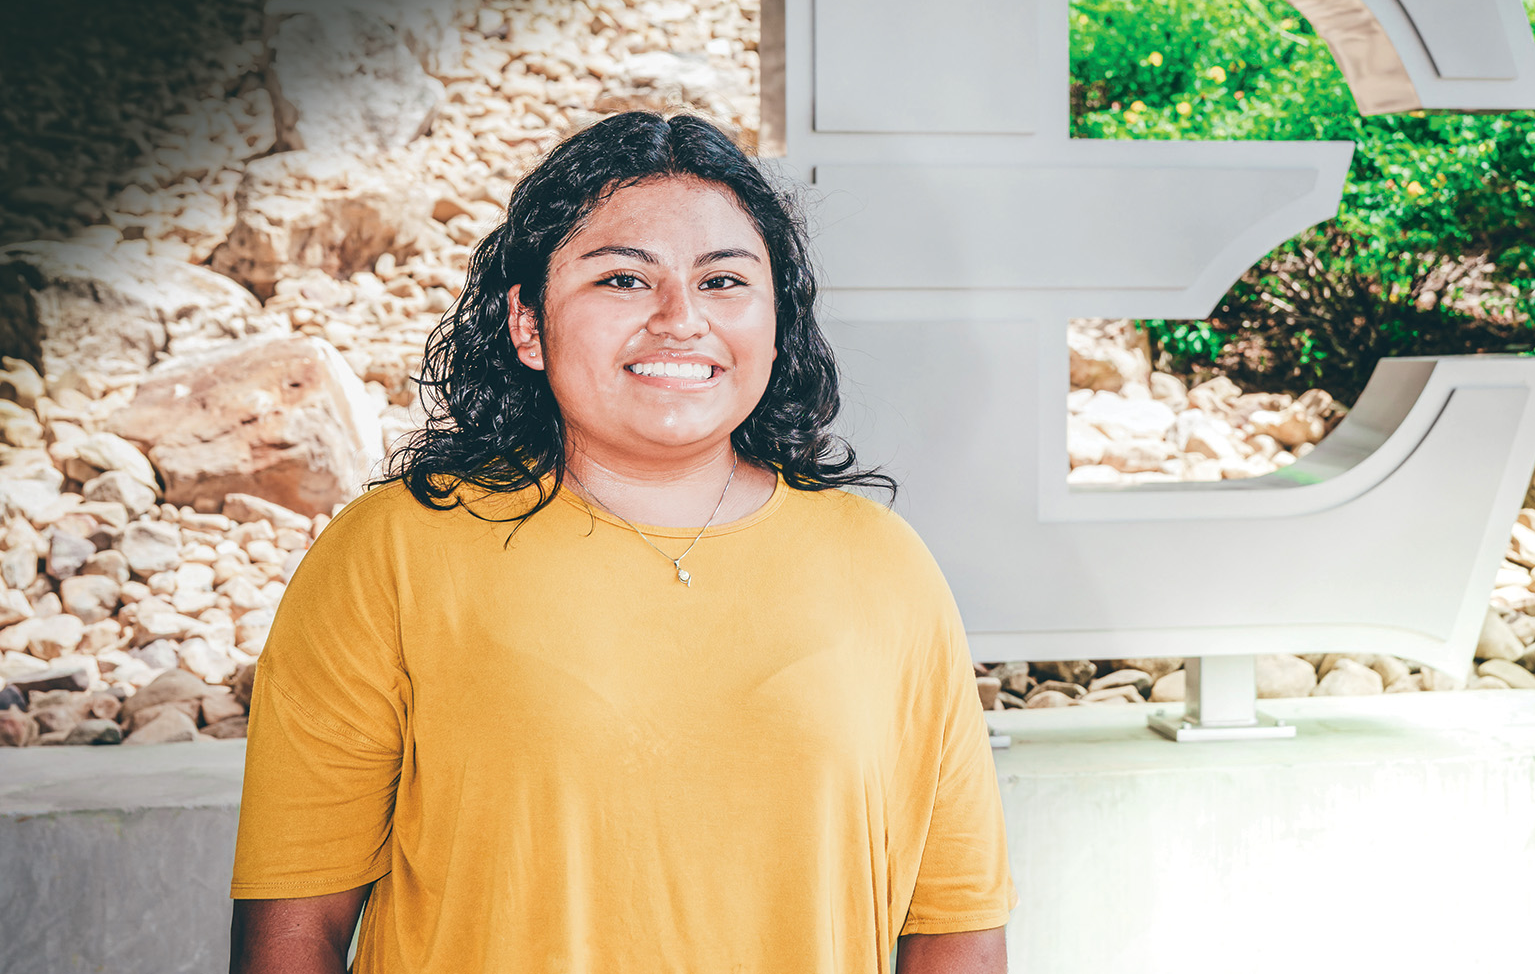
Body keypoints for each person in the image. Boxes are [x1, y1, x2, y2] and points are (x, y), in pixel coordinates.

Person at [228, 111, 1014, 973]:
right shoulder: (392, 556)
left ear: (777, 318)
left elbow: (955, 921)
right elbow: (295, 929)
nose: (681, 320)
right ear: (528, 325)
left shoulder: (884, 569)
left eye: (724, 282)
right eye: (624, 282)